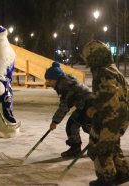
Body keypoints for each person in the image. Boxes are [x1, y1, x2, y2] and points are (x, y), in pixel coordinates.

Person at [82, 40, 129, 186]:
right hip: (121, 116)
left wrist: (94, 108)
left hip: (110, 117)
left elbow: (109, 92)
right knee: (112, 145)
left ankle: (106, 179)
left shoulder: (102, 71)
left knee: (99, 148)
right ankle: (123, 173)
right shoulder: (113, 68)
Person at [45, 61, 93, 157]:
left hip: (87, 105)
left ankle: (78, 148)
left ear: (55, 79)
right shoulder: (66, 81)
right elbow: (68, 103)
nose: (48, 83)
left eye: (50, 80)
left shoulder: (64, 86)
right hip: (87, 104)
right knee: (86, 126)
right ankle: (100, 142)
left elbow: (64, 106)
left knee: (73, 125)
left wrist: (55, 121)